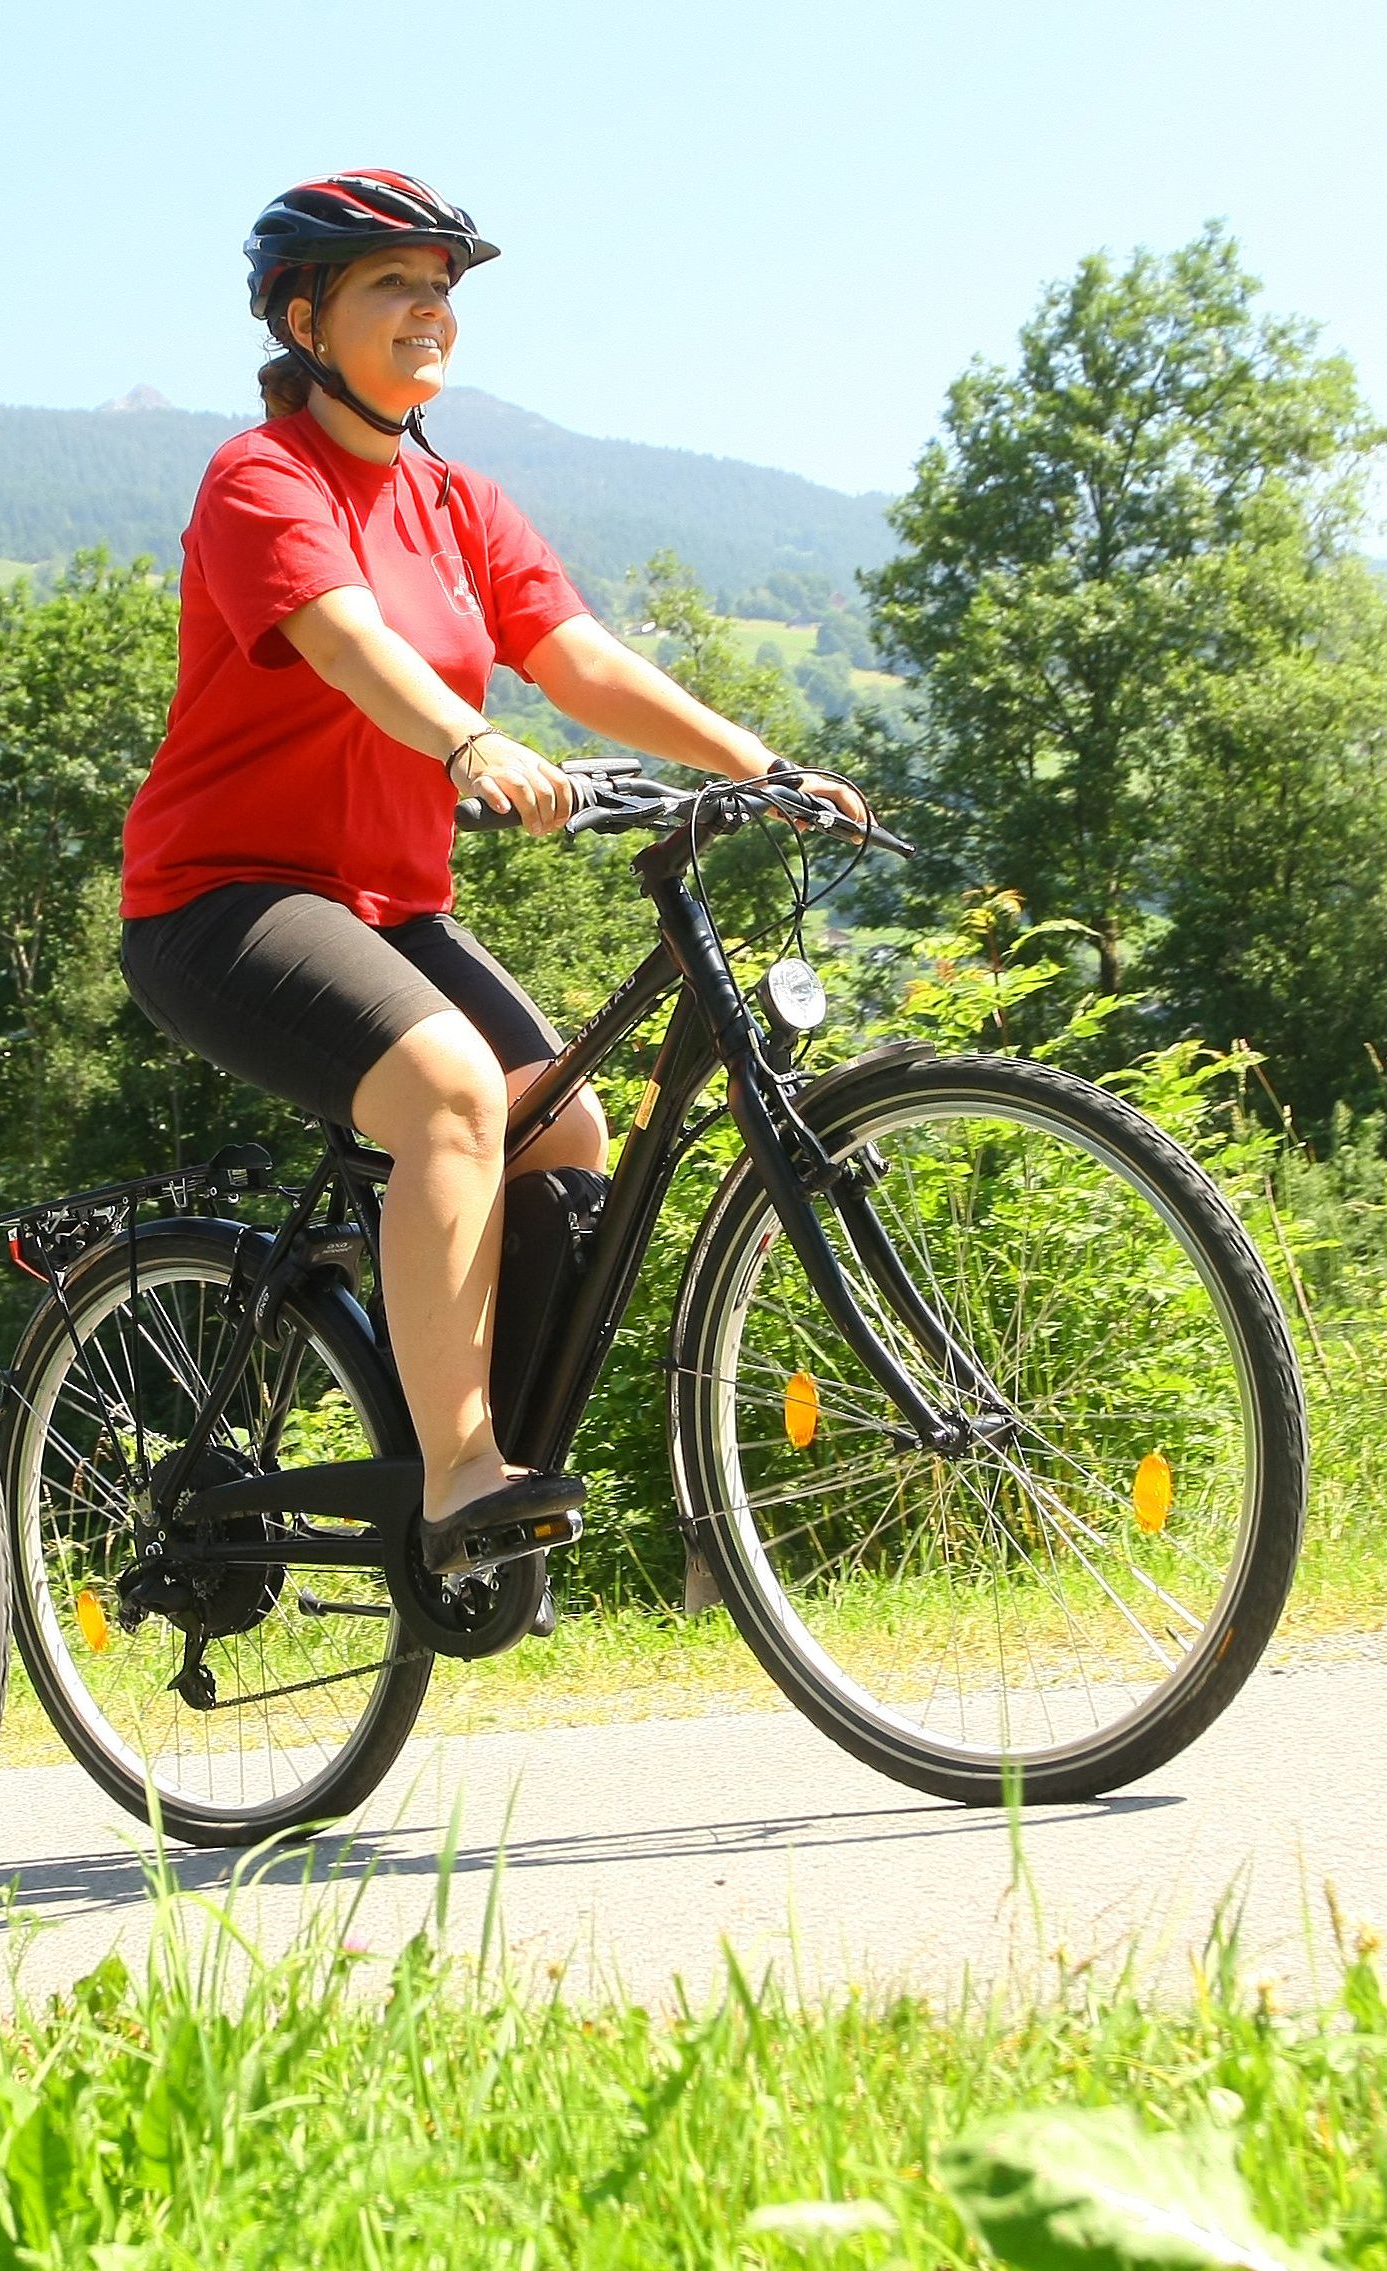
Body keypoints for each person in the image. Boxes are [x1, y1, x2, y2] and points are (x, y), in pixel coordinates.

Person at [119, 172, 866, 1561]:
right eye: (390, 285)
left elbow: (576, 655)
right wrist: (470, 745)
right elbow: (349, 643)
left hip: (388, 906)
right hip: (223, 900)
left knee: (560, 1126)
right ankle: (458, 1467)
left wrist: (751, 762)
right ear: (304, 317)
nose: (428, 310)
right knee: (457, 1092)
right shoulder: (261, 479)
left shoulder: (458, 502)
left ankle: (481, 1478)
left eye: (441, 286)